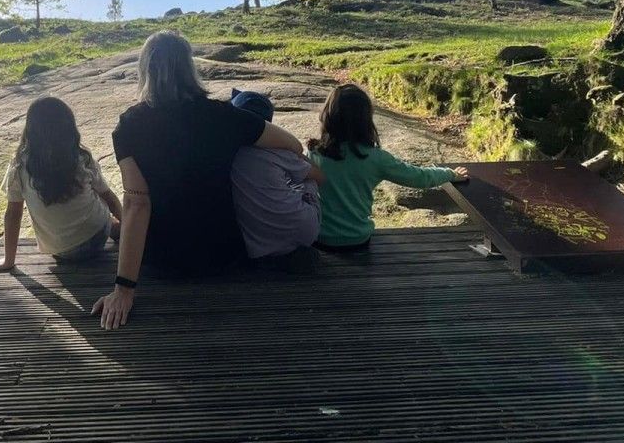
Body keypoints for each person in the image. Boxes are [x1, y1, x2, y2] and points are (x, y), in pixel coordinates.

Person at [93, 31, 305, 330]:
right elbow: (292, 145)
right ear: (189, 69)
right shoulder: (224, 116)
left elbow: (137, 203)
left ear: (146, 71)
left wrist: (123, 289)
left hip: (162, 260)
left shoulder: (130, 125)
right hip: (223, 255)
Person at [308, 84, 467, 252]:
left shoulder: (314, 153)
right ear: (365, 119)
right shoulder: (375, 158)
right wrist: (450, 173)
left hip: (318, 237)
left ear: (327, 116)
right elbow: (418, 177)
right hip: (356, 239)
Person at [0, 96, 122, 273]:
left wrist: (8, 261)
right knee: (103, 206)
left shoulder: (19, 166)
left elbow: (13, 214)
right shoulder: (81, 158)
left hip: (61, 250)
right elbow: (110, 198)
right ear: (70, 127)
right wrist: (130, 225)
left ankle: (110, 227)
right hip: (96, 237)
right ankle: (119, 228)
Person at [228, 89, 324, 269]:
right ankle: (293, 251)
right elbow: (319, 177)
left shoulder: (227, 151)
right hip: (303, 230)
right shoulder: (278, 151)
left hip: (253, 241)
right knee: (307, 180)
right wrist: (298, 156)